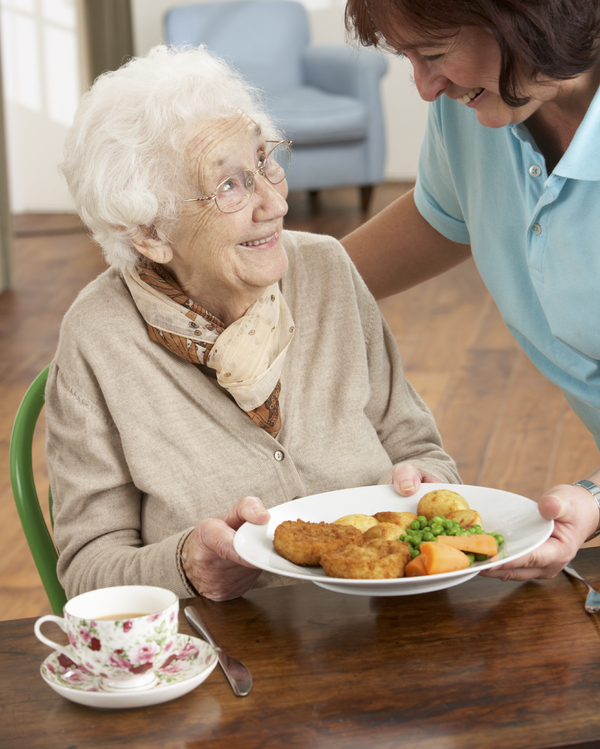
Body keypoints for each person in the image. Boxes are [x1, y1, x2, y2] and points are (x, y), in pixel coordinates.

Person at [45, 44, 459, 602]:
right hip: (231, 649)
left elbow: (418, 446)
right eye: (229, 186)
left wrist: (427, 486)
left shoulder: (326, 269)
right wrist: (187, 566)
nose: (274, 202)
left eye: (265, 161)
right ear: (149, 233)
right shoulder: (99, 339)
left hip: (389, 617)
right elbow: (86, 569)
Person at [341, 0, 600, 581]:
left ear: (518, 11)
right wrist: (279, 289)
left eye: (432, 54)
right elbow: (440, 218)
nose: (424, 88)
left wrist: (594, 499)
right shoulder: (477, 110)